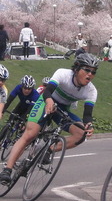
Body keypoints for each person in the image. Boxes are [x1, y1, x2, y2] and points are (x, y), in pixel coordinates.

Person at [0, 53, 99, 184]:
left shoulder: (91, 91)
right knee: (31, 134)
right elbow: (47, 91)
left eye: (93, 72)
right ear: (76, 68)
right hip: (46, 101)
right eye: (87, 70)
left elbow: (87, 114)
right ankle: (7, 169)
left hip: (62, 109)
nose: (90, 74)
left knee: (81, 134)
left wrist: (89, 125)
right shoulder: (63, 74)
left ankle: (47, 150)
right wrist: (49, 101)